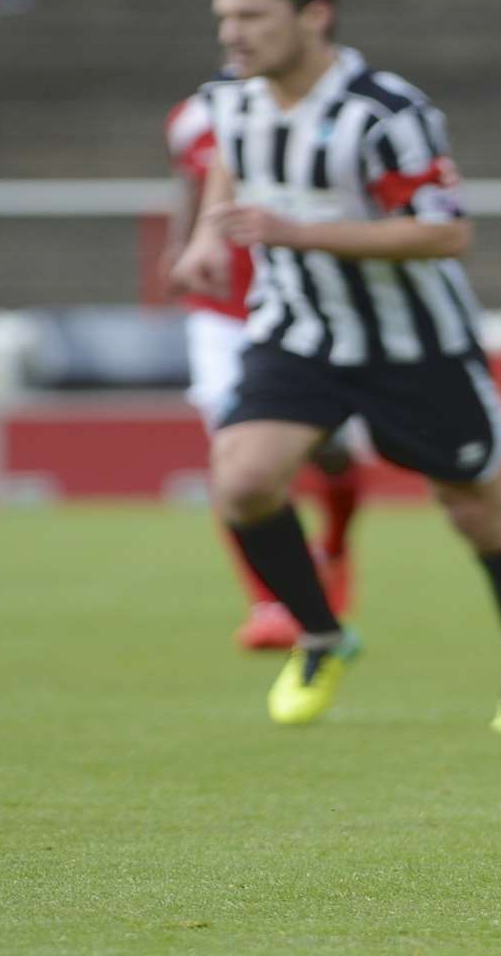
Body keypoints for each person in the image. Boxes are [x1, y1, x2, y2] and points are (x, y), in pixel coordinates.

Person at [169, 0, 501, 731]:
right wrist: (206, 238)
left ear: (314, 16)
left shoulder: (385, 112)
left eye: (252, 16)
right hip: (296, 330)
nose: (233, 33)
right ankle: (321, 636)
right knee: (243, 481)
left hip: (412, 344)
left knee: (476, 512)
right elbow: (230, 158)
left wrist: (294, 230)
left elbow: (444, 231)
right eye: (225, 17)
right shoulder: (226, 98)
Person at [164, 81, 365, 651]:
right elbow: (189, 183)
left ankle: (336, 548)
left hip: (308, 308)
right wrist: (180, 245)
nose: (240, 37)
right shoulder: (192, 115)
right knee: (234, 464)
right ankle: (270, 602)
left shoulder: (335, 112)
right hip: (222, 311)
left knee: (331, 453)